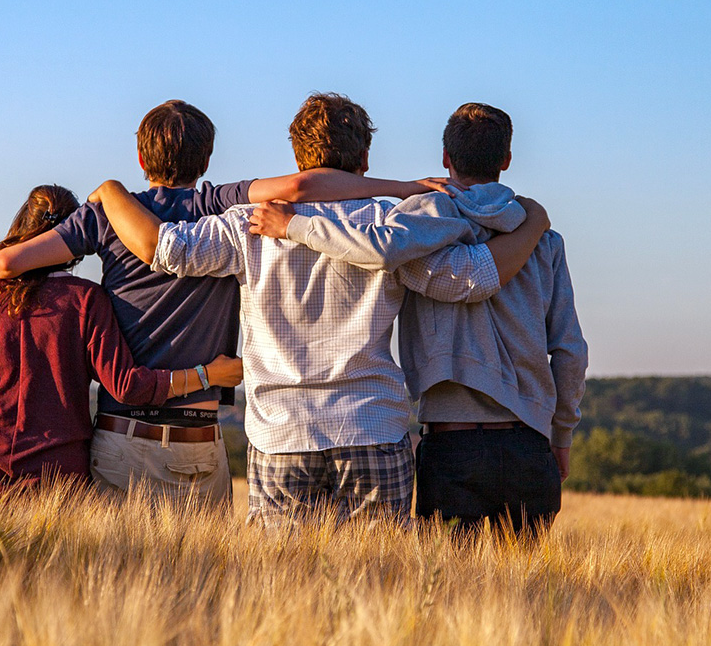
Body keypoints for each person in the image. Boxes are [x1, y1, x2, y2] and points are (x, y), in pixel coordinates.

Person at [89, 94, 549, 526]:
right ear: (364, 161)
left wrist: (111, 192)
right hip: (372, 426)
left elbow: (165, 249)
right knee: (381, 584)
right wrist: (533, 225)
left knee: (282, 587)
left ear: (297, 159)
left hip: (280, 434)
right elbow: (468, 280)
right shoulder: (391, 225)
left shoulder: (247, 224)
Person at [0, 99, 449, 505]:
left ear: (141, 157)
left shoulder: (107, 214)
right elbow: (303, 188)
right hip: (200, 440)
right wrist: (402, 188)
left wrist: (105, 197)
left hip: (122, 435)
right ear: (206, 161)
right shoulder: (218, 205)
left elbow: (2, 267)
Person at [249, 102, 587, 537]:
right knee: (526, 596)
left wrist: (295, 225)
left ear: (446, 158)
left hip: (451, 443)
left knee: (444, 592)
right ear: (505, 160)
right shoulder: (543, 240)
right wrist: (561, 435)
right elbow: (570, 351)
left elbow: (379, 249)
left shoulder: (417, 225)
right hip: (530, 443)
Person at [0, 184, 243, 497]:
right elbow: (127, 386)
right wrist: (208, 375)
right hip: (57, 480)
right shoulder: (86, 300)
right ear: (74, 238)